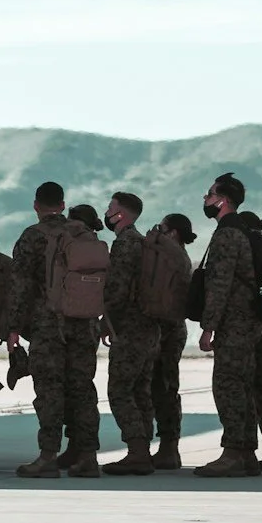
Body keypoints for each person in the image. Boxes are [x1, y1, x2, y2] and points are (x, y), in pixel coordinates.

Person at [8, 181, 102, 479]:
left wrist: (12, 327)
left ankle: (48, 456)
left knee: (49, 391)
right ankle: (87, 456)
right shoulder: (84, 234)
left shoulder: (32, 237)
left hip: (48, 326)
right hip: (85, 324)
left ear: (36, 205)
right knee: (83, 390)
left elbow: (20, 286)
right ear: (62, 205)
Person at [197, 173, 262, 477]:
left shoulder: (227, 235)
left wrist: (208, 326)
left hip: (234, 323)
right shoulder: (245, 233)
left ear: (222, 201)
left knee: (228, 386)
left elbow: (219, 285)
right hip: (250, 321)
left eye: (209, 195)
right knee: (243, 386)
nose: (206, 200)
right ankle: (246, 453)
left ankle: (234, 451)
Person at [101, 192, 162, 475]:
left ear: (121, 214)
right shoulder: (143, 242)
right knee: (140, 390)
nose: (107, 211)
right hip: (149, 328)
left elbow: (117, 290)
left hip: (130, 328)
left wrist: (105, 319)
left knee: (120, 389)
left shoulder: (125, 244)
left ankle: (137, 450)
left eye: (111, 207)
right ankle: (143, 451)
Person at [152, 213, 196, 470]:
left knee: (165, 388)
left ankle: (169, 447)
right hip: (169, 328)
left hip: (169, 329)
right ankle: (167, 446)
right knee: (160, 387)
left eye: (163, 229)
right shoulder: (174, 256)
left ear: (174, 233)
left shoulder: (174, 257)